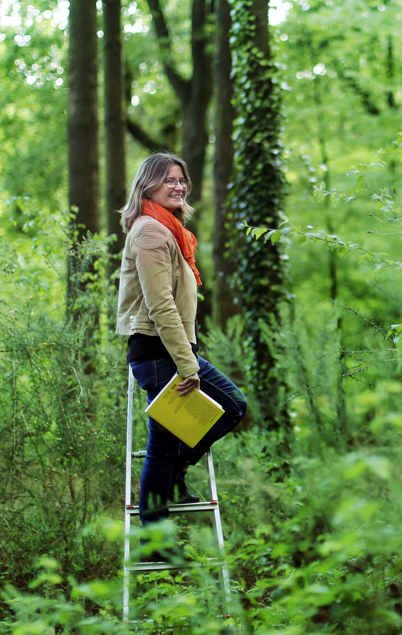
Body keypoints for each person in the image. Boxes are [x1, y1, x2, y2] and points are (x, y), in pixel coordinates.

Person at [116, 152, 247, 557]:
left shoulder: (168, 231)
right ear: (148, 186)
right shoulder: (151, 233)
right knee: (226, 409)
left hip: (169, 350)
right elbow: (160, 306)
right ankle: (156, 539)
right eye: (169, 180)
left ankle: (170, 485)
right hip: (160, 352)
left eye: (182, 179)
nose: (178, 186)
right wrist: (188, 363)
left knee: (180, 435)